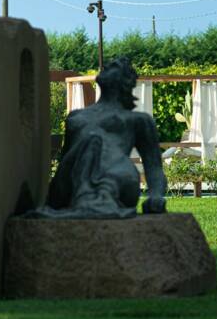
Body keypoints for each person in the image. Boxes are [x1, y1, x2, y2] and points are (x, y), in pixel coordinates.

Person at [33, 56, 167, 219]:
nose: (108, 66)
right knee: (91, 141)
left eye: (115, 67)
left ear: (127, 81)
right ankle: (91, 201)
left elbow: (153, 166)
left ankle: (94, 200)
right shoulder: (75, 117)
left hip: (119, 180)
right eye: (108, 66)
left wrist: (156, 195)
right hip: (72, 183)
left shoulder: (137, 120)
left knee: (93, 140)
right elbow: (66, 162)